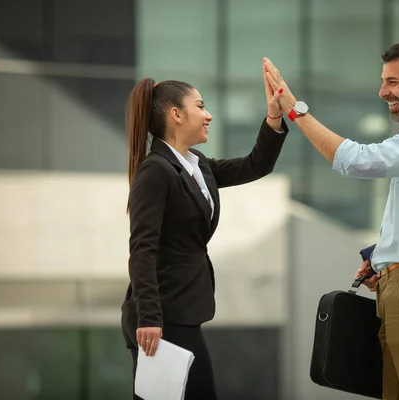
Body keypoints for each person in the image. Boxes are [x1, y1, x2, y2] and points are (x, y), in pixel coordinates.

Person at [263, 39, 399, 400]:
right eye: (383, 81)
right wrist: (385, 257)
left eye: (393, 82)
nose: (382, 92)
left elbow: (357, 160)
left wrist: (295, 111)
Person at [120, 61, 288, 400]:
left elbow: (256, 164)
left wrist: (273, 117)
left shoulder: (197, 166)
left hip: (183, 308)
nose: (208, 114)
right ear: (176, 115)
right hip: (161, 318)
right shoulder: (156, 171)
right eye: (200, 106)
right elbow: (142, 249)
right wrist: (150, 318)